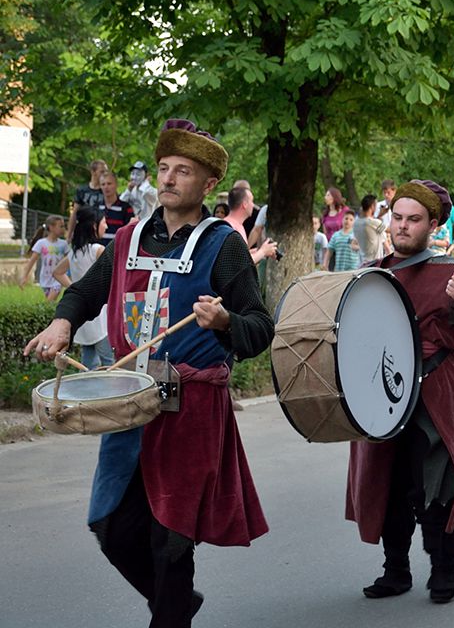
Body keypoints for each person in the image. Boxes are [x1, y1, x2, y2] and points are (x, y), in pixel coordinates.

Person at [24, 118, 274, 628]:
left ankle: (171, 611)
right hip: (128, 402)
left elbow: (260, 327)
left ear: (207, 185)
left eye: (183, 171)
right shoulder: (127, 238)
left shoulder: (222, 245)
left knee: (171, 538)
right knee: (109, 525)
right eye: (163, 168)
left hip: (191, 410)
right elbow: (84, 293)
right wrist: (61, 324)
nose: (168, 178)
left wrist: (226, 322)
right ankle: (175, 602)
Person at [346, 180, 454, 605]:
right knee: (387, 483)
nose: (402, 227)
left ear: (433, 224)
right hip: (380, 391)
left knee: (435, 486)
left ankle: (444, 570)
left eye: (413, 220)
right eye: (397, 218)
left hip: (438, 391)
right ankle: (395, 570)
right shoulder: (372, 273)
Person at [51, 206, 113, 368]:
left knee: (88, 362)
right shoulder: (97, 250)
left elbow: (57, 272)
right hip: (99, 318)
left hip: (83, 319)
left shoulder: (74, 254)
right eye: (104, 222)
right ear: (94, 226)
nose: (106, 226)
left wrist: (75, 289)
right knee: (111, 363)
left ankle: (86, 390)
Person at [224, 186, 278, 265]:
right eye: (252, 201)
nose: (253, 205)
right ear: (245, 204)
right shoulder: (232, 228)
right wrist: (262, 252)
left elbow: (238, 256)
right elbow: (240, 264)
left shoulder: (236, 226)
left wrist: (261, 250)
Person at [21, 215, 68, 300]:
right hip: (45, 278)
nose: (63, 228)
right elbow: (32, 261)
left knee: (49, 301)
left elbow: (69, 261)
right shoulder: (41, 243)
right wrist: (25, 276)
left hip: (58, 279)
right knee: (51, 303)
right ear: (51, 227)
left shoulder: (64, 244)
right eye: (61, 226)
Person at [68, 159, 108, 240]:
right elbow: (74, 213)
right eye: (102, 171)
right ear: (93, 172)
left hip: (100, 231)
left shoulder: (106, 192)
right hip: (83, 231)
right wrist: (69, 234)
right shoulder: (82, 190)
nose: (105, 174)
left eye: (106, 172)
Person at [99, 170, 137, 246]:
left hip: (117, 250)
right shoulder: (96, 207)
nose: (106, 187)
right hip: (98, 252)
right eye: (103, 184)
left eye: (109, 183)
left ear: (116, 185)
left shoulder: (126, 208)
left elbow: (129, 232)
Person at [354, 194, 387, 260]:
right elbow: (390, 229)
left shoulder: (356, 223)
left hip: (362, 262)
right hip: (375, 262)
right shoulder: (374, 223)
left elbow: (373, 224)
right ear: (372, 206)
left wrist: (379, 216)